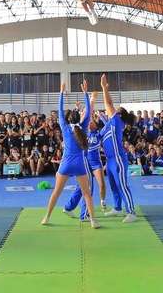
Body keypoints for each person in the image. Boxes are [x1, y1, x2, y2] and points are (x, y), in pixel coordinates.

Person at [40, 80, 100, 228]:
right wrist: (86, 92)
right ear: (79, 118)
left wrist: (61, 92)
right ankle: (93, 221)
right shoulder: (84, 126)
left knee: (56, 192)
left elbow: (59, 109)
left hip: (66, 164)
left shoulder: (65, 128)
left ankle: (46, 217)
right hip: (80, 165)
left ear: (67, 119)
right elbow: (89, 112)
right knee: (87, 194)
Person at [99, 74, 138, 223]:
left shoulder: (117, 122)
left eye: (115, 111)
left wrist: (104, 88)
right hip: (109, 161)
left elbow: (108, 103)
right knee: (114, 185)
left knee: (122, 185)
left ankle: (131, 212)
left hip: (118, 159)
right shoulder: (109, 124)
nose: (111, 111)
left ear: (118, 115)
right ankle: (117, 207)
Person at [64, 92, 107, 219]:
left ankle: (68, 207)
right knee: (88, 187)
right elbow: (87, 112)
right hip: (83, 161)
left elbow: (88, 114)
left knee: (82, 187)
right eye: (90, 120)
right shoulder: (82, 129)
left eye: (93, 121)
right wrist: (91, 99)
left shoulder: (96, 132)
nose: (90, 122)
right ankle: (85, 214)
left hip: (91, 162)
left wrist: (89, 100)